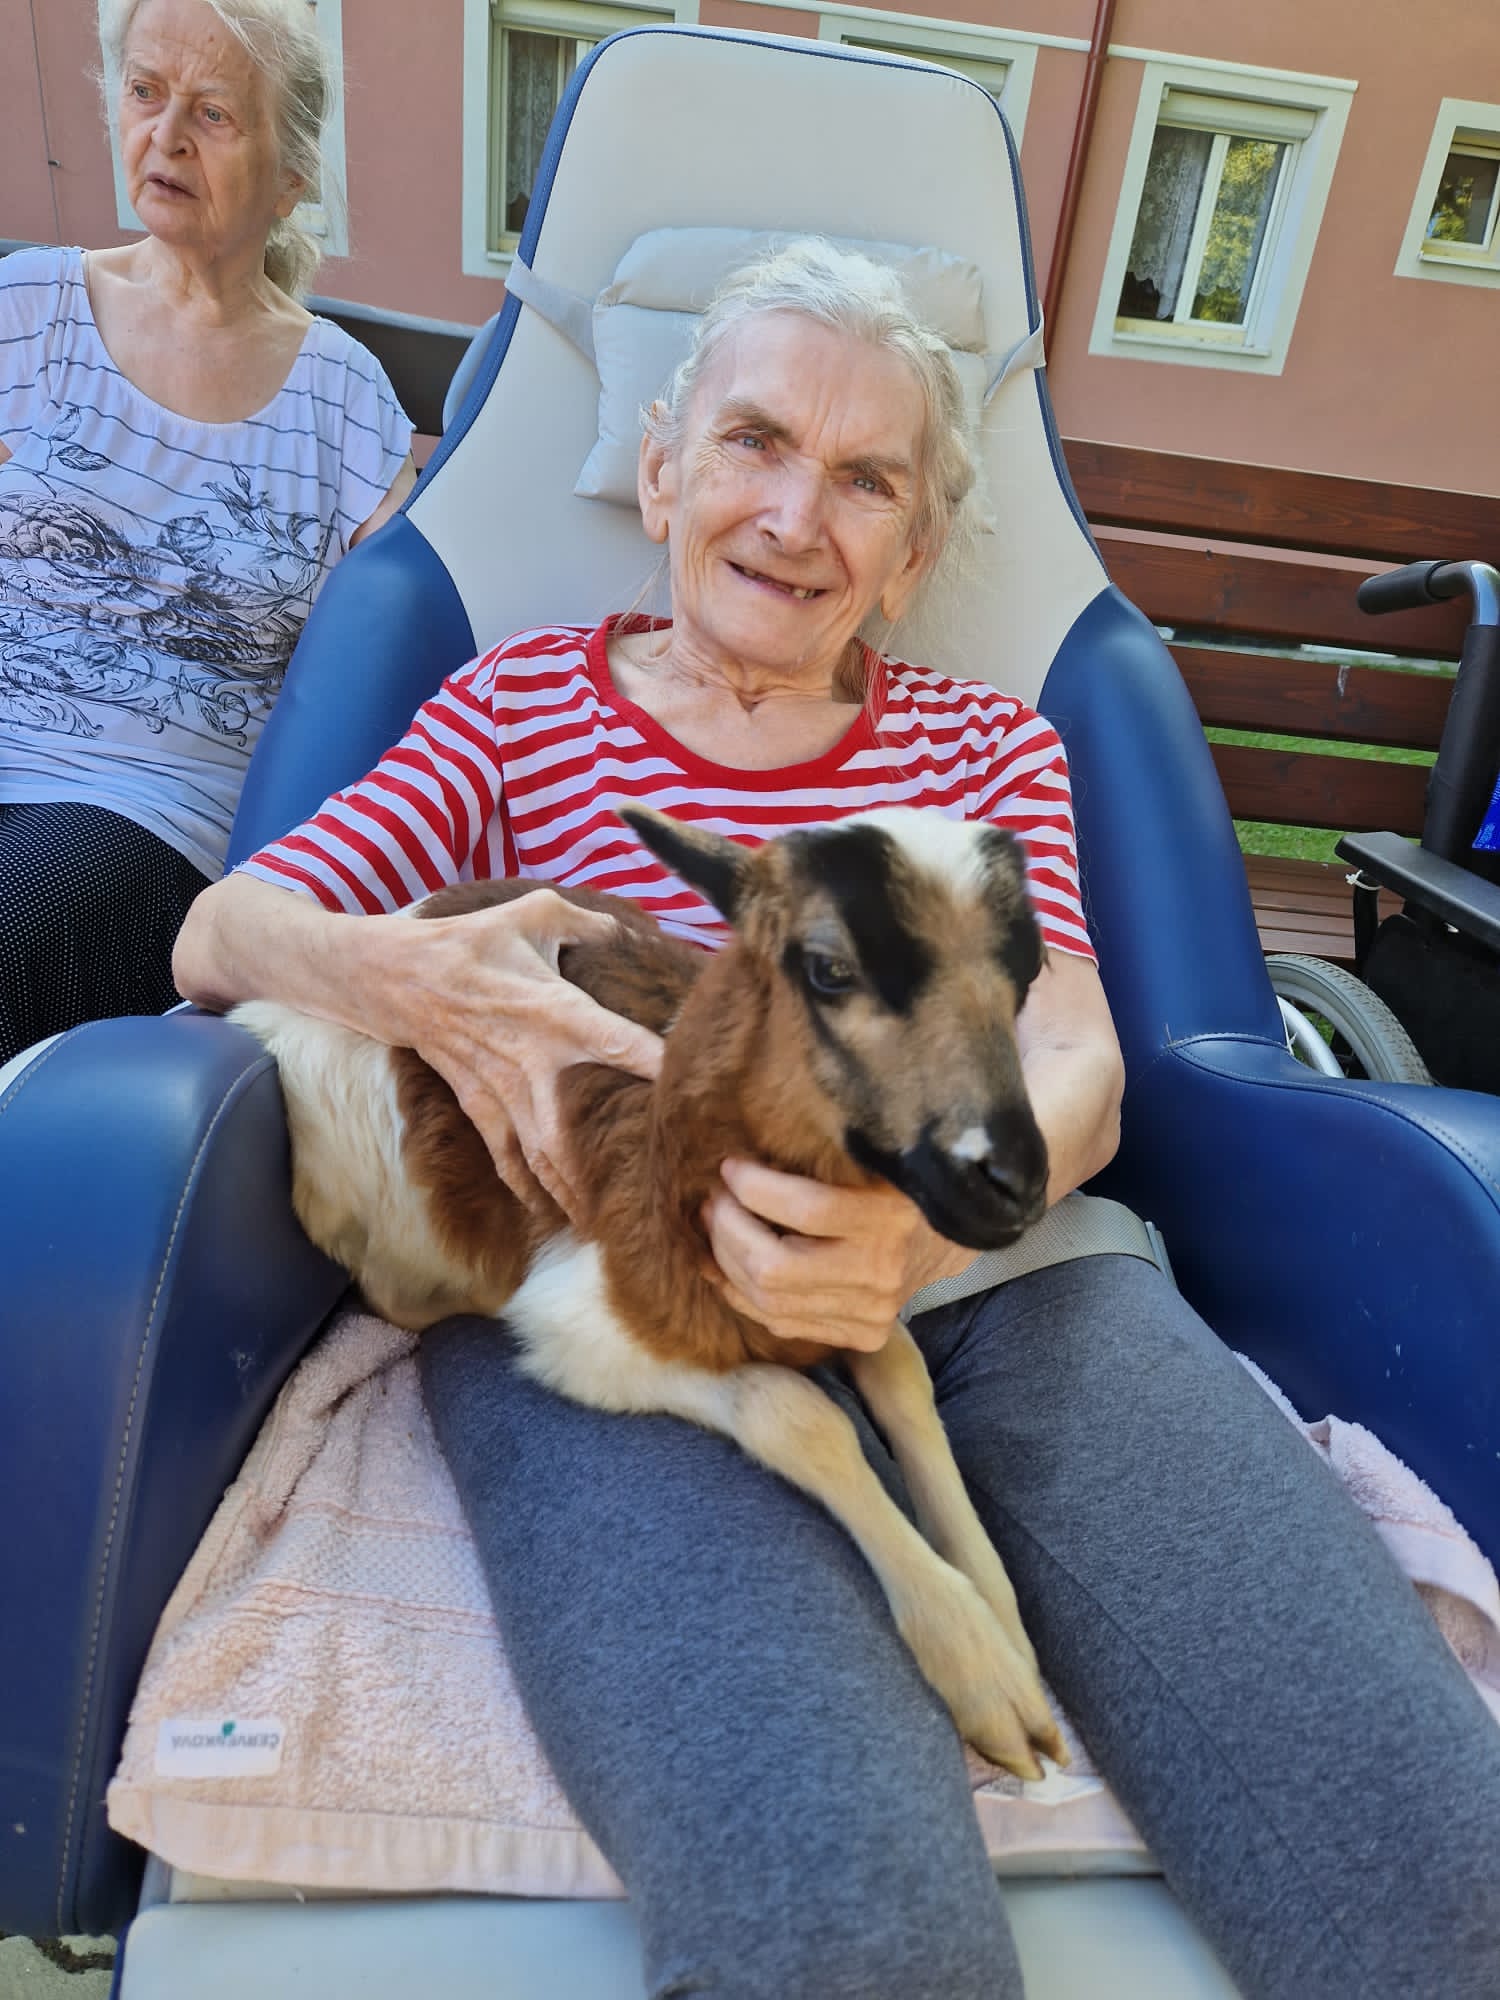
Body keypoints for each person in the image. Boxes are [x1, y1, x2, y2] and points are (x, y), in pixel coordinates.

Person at [172, 241, 1500, 1999]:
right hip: (622, 1296)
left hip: (1005, 1286)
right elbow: (222, 932)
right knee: (845, 1935)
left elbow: (1079, 1056)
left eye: (868, 480)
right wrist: (422, 984)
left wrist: (928, 1227)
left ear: (913, 554)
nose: (798, 516)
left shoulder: (985, 751)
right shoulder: (511, 709)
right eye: (754, 442)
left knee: (1434, 1864)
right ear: (662, 472)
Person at [0, 0, 414, 1065]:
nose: (167, 135)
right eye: (146, 92)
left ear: (291, 173)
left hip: (147, 812)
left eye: (215, 112)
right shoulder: (26, 308)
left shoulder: (342, 398)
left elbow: (395, 653)